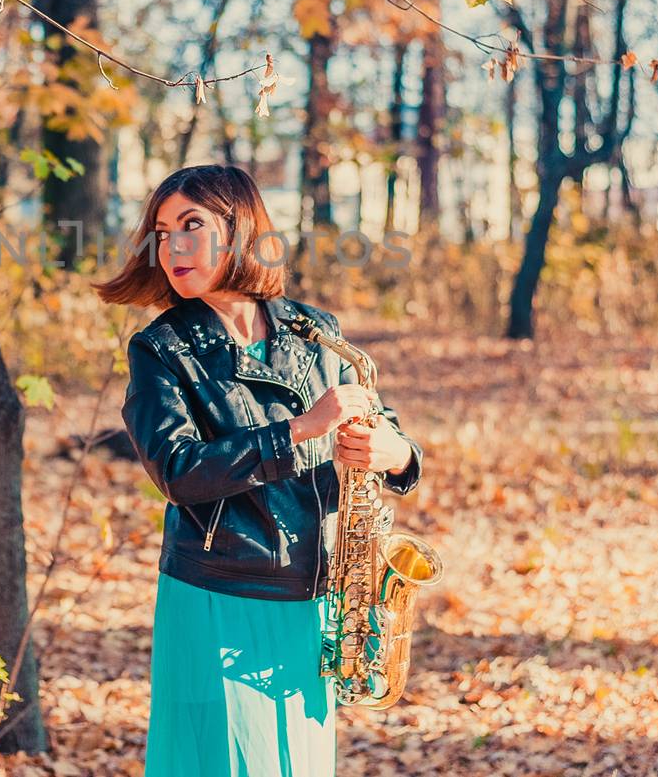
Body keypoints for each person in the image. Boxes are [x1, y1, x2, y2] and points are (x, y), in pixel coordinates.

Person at [93, 164, 424, 777]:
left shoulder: (314, 329)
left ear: (239, 230)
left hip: (315, 599)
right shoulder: (161, 349)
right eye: (162, 232)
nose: (173, 247)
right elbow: (178, 471)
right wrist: (299, 431)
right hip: (217, 593)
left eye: (193, 225)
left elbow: (382, 422)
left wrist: (395, 453)